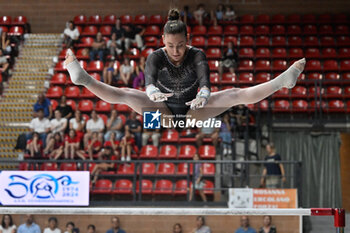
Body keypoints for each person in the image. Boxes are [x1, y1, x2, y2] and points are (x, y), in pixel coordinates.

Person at [64, 9, 305, 125]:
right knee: (125, 94)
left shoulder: (197, 55)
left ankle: (282, 81)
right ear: (162, 41)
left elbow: (205, 83)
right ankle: (83, 78)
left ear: (187, 40)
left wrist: (203, 96)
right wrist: (152, 93)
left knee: (234, 94)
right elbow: (148, 83)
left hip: (193, 111)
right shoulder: (155, 57)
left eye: (181, 45)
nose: (176, 51)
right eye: (171, 45)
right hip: (164, 113)